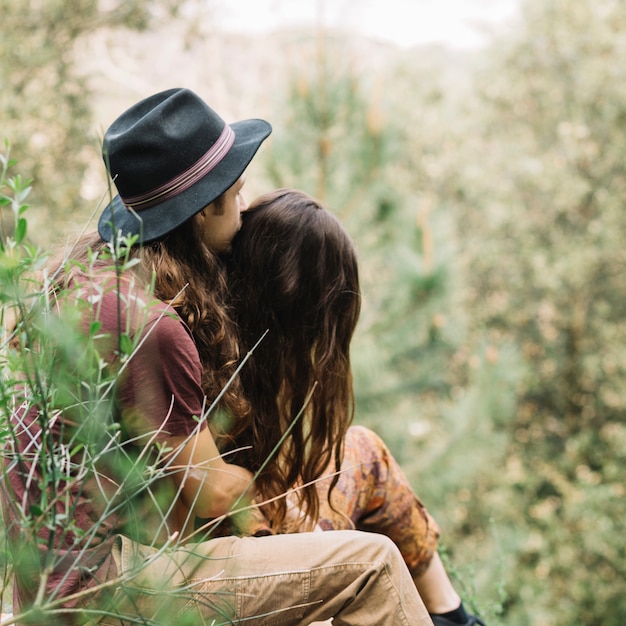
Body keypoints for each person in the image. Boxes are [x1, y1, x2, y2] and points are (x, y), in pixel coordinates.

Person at [0, 88, 432, 625]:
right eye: (238, 190)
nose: (245, 206)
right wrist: (278, 513)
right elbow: (210, 493)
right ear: (206, 207)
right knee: (374, 564)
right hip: (105, 590)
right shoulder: (151, 327)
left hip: (46, 584)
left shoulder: (78, 285)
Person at [225, 188, 487, 626]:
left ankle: (453, 615)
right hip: (248, 558)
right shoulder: (216, 369)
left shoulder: (247, 339)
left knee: (364, 451)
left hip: (272, 515)